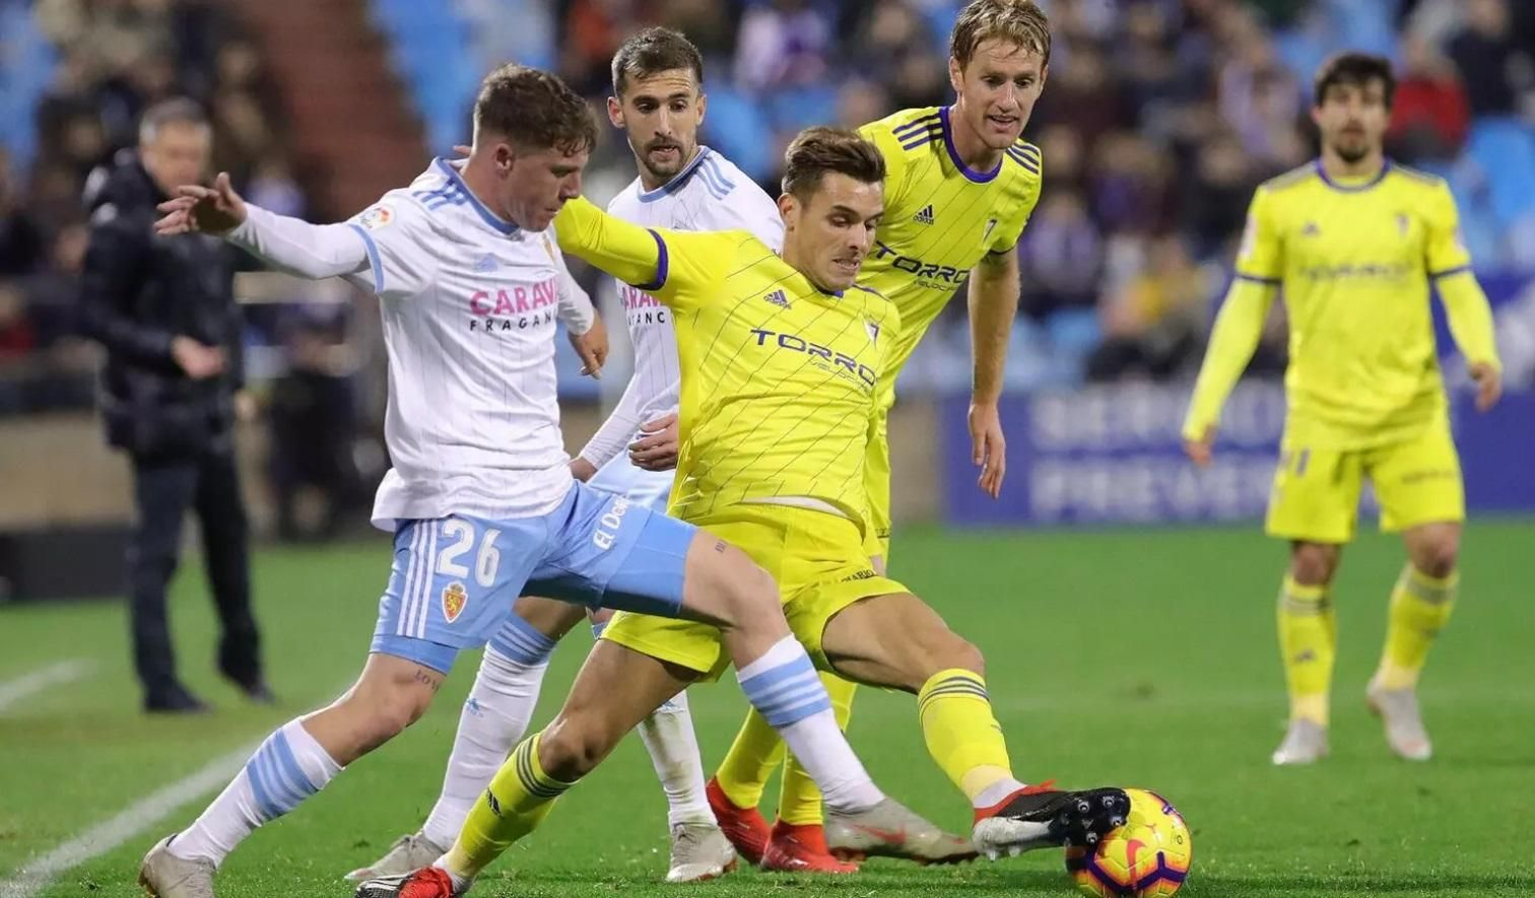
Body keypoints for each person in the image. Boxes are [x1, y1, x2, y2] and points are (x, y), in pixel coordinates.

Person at [136, 65, 953, 898]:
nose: (571, 194)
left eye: (577, 174)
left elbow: (541, 256)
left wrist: (579, 314)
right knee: (390, 704)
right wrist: (242, 224)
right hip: (465, 515)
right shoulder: (419, 222)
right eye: (560, 174)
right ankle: (192, 850)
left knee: (743, 587)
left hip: (560, 509)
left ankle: (845, 801)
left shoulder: (529, 214)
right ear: (501, 158)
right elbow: (325, 249)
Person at [355, 125, 1128, 898]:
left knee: (951, 657)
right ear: (789, 211)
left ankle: (999, 800)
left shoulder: (877, 320)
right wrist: (522, 179)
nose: (859, 242)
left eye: (869, 225)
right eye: (840, 220)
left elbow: (850, 438)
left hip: (825, 569)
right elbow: (591, 233)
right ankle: (450, 870)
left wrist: (869, 544)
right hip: (710, 566)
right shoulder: (720, 265)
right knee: (573, 745)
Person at [345, 28, 785, 884]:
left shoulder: (741, 213)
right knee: (521, 627)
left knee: (601, 618)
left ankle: (694, 821)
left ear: (703, 106)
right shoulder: (626, 216)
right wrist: (591, 460)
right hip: (646, 456)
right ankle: (454, 834)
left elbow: (778, 353)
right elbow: (652, 376)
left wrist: (699, 427)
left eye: (680, 104)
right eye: (647, 106)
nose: (665, 123)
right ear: (618, 113)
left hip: (715, 459)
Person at [706, 0, 1049, 857]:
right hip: (799, 408)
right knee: (831, 612)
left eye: (1025, 82)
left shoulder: (1021, 176)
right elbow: (779, 253)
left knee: (840, 623)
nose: (1008, 99)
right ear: (956, 75)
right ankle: (792, 819)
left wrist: (985, 399)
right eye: (992, 80)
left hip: (867, 413)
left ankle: (754, 799)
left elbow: (997, 268)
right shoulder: (890, 155)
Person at [1180, 52, 1502, 766]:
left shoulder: (1426, 198)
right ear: (1319, 112)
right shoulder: (1280, 203)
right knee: (1313, 562)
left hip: (1411, 408)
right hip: (1320, 412)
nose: (1355, 114)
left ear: (1386, 115)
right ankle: (1308, 720)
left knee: (1439, 549)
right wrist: (1205, 407)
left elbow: (1459, 285)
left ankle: (1396, 683)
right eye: (1342, 100)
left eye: (1368, 101)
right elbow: (1244, 308)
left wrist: (1483, 351)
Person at [79, 97, 271, 714]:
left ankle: (244, 664)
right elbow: (93, 313)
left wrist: (236, 381)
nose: (185, 165)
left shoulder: (203, 211)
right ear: (146, 151)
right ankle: (159, 683)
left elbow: (222, 306)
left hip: (208, 405)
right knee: (158, 552)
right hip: (154, 409)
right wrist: (169, 349)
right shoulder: (120, 220)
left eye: (195, 154)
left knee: (229, 542)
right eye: (174, 154)